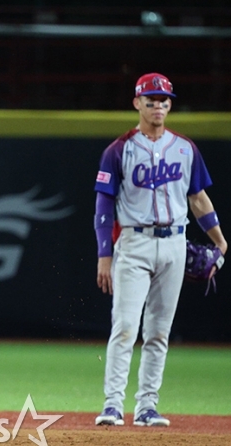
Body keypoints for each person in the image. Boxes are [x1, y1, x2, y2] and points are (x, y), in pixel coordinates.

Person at [93, 73, 227, 427]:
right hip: (133, 244)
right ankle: (112, 404)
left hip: (175, 244)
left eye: (163, 100)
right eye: (150, 100)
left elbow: (198, 198)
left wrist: (219, 239)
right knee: (124, 327)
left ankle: (147, 406)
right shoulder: (119, 149)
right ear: (137, 103)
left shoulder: (185, 149)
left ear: (170, 105)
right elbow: (103, 207)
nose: (157, 106)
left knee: (158, 331)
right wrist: (104, 254)